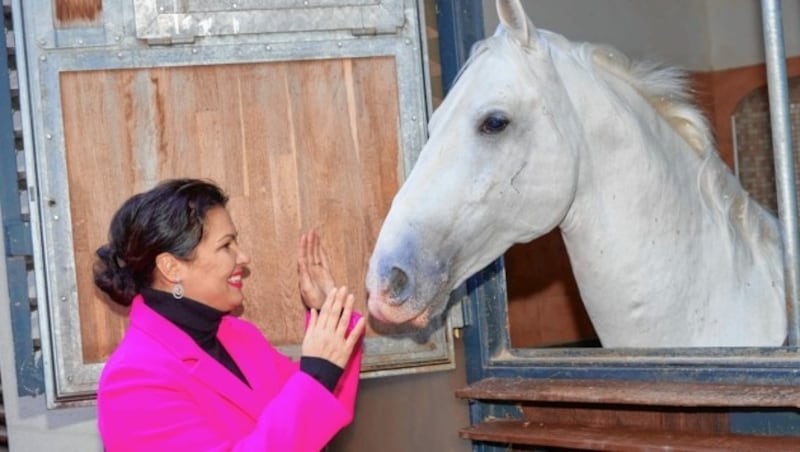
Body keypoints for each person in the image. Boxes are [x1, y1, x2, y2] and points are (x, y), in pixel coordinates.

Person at [93, 178, 366, 451]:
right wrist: (317, 374)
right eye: (226, 246)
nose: (243, 257)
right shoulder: (134, 380)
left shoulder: (238, 334)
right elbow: (309, 391)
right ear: (171, 267)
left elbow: (317, 409)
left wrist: (328, 313)